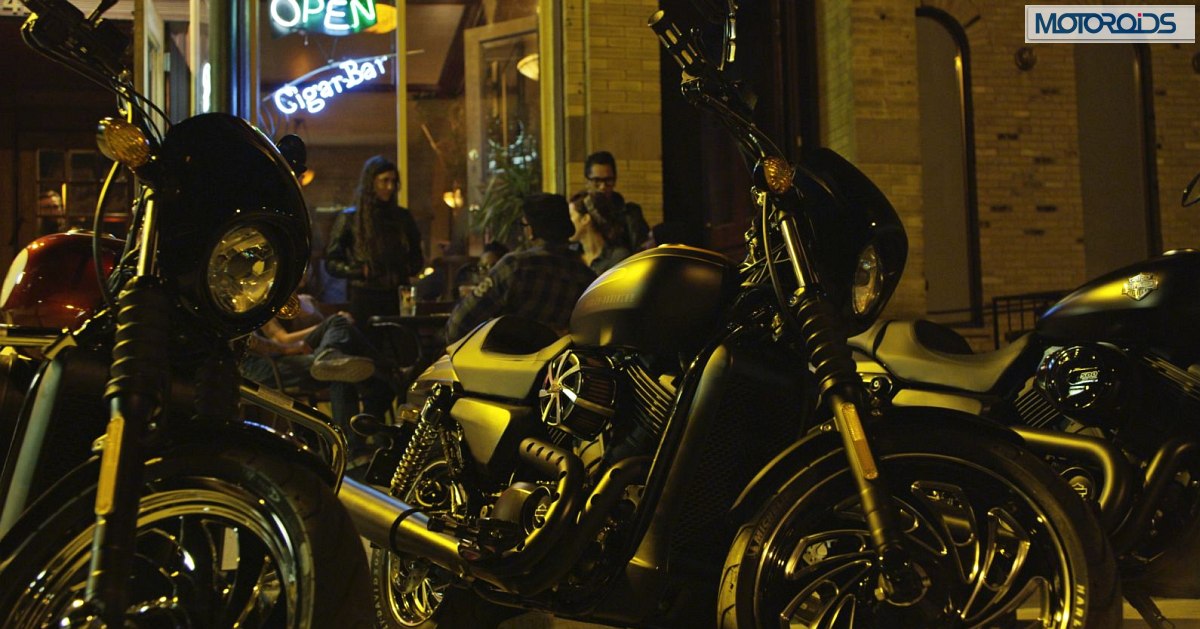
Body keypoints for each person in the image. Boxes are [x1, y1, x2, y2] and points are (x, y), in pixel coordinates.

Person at [240, 299, 391, 462]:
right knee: (342, 364)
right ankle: (384, 367)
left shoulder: (300, 300)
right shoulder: (248, 302)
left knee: (342, 366)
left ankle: (356, 449)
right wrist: (290, 349)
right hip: (262, 366)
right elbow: (262, 342)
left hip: (292, 357)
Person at [446, 193, 596, 343]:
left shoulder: (515, 267)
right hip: (562, 357)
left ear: (531, 231)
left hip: (507, 356)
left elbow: (457, 327)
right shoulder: (586, 277)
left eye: (524, 225)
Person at [325, 155, 424, 321]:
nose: (390, 187)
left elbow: (417, 256)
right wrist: (359, 271)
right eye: (384, 181)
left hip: (396, 295)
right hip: (364, 296)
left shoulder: (402, 217)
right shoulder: (350, 218)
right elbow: (332, 262)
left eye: (393, 181)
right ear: (371, 182)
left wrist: (405, 270)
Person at [585, 150, 650, 250]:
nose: (603, 186)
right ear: (587, 182)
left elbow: (642, 247)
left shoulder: (630, 214)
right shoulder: (579, 213)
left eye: (608, 180)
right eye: (596, 181)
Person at [569, 191, 632, 275]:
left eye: (570, 216)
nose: (566, 221)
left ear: (585, 219)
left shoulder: (618, 258)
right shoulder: (570, 255)